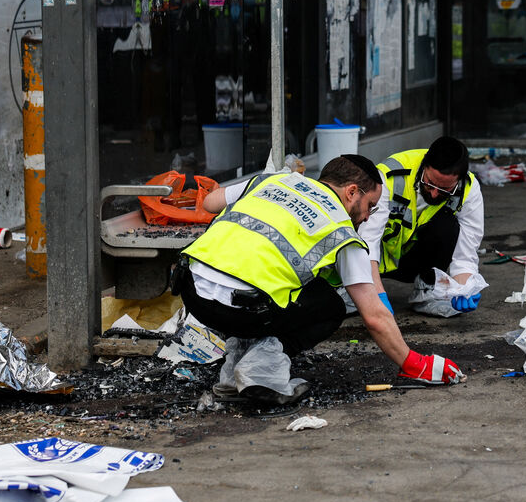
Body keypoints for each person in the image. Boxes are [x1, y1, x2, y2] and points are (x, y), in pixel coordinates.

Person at [175, 154, 465, 403]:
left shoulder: (272, 181)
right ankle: (259, 370)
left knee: (275, 284)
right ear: (352, 192)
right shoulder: (340, 230)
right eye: (371, 205)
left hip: (192, 292)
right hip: (241, 311)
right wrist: (416, 363)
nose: (368, 217)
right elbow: (373, 315)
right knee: (332, 304)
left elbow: (211, 203)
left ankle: (233, 373)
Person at [360, 137, 485, 316]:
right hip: (376, 259)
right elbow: (368, 241)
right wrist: (376, 293)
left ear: (458, 180)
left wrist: (464, 288)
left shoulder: (469, 190)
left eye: (444, 190)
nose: (434, 194)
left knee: (447, 226)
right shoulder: (389, 175)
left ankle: (427, 290)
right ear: (424, 165)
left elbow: (466, 253)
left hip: (413, 261)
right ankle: (355, 286)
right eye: (430, 184)